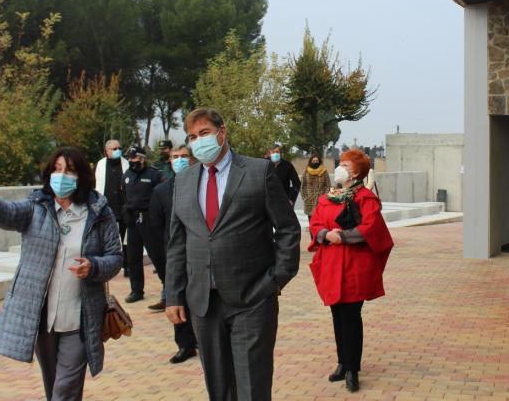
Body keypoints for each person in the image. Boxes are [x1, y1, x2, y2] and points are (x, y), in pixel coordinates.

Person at [0, 147, 123, 401]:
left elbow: (115, 258)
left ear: (82, 176)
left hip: (81, 318)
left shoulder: (99, 212)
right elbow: (8, 215)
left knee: (65, 390)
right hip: (43, 318)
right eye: (57, 169)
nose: (62, 175)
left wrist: (94, 266)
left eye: (70, 170)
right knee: (53, 384)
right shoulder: (36, 206)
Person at [165, 107, 301, 401]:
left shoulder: (257, 171)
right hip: (203, 301)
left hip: (252, 297)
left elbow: (288, 229)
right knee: (218, 385)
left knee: (252, 385)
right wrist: (173, 295)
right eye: (192, 136)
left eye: (204, 133)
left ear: (221, 133)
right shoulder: (184, 181)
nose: (198, 141)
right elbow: (177, 242)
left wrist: (276, 279)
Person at [308, 149, 394, 393]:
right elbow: (315, 224)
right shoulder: (328, 197)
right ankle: (342, 363)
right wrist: (325, 234)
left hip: (354, 265)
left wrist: (343, 237)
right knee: (337, 314)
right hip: (331, 264)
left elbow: (370, 227)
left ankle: (352, 369)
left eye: (344, 164)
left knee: (351, 316)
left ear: (356, 171)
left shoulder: (365, 198)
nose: (340, 167)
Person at [148, 144, 198, 364]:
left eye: (184, 156)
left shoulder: (203, 186)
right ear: (169, 160)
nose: (180, 160)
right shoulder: (161, 191)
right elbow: (156, 227)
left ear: (193, 159)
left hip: (201, 255)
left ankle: (204, 341)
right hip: (174, 257)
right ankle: (185, 345)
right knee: (176, 300)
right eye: (175, 157)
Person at [122, 146, 166, 305]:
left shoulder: (154, 174)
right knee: (133, 257)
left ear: (142, 158)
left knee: (157, 255)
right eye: (129, 158)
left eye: (134, 158)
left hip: (149, 219)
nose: (131, 161)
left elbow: (160, 197)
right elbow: (124, 196)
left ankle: (167, 288)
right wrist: (125, 210)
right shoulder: (127, 175)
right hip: (132, 220)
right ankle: (136, 290)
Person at [95, 139, 130, 276]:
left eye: (119, 148)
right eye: (114, 149)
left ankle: (127, 266)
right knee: (106, 239)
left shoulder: (126, 163)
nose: (117, 150)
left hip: (124, 207)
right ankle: (106, 266)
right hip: (107, 208)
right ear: (107, 151)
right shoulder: (100, 164)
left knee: (126, 239)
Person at [299, 153, 331, 227]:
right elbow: (303, 186)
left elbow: (328, 185)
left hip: (321, 200)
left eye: (317, 160)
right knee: (311, 223)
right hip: (310, 200)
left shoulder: (324, 171)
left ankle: (319, 237)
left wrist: (325, 196)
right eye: (314, 161)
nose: (315, 162)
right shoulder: (306, 172)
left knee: (321, 222)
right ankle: (312, 238)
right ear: (310, 161)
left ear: (319, 161)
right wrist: (305, 198)